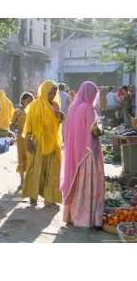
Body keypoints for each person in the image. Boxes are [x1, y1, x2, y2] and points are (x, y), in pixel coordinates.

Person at [61, 81, 105, 229]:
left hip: (76, 154)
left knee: (75, 184)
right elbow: (94, 131)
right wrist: (101, 128)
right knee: (89, 187)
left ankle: (72, 217)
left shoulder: (73, 108)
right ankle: (87, 219)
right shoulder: (89, 109)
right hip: (88, 154)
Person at [22, 80, 63, 206]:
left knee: (53, 169)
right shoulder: (35, 105)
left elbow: (57, 123)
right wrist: (28, 140)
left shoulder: (56, 105)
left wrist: (61, 117)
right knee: (36, 169)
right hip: (38, 142)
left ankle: (50, 197)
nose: (53, 95)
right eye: (51, 92)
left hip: (53, 142)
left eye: (55, 92)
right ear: (44, 91)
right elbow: (28, 124)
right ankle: (32, 196)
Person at [10, 92, 34, 191]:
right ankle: (22, 182)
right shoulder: (18, 112)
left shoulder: (33, 111)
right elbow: (12, 125)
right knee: (21, 158)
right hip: (20, 138)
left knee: (30, 158)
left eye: (31, 101)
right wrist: (15, 127)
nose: (30, 103)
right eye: (28, 101)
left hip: (31, 138)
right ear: (23, 101)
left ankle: (29, 182)